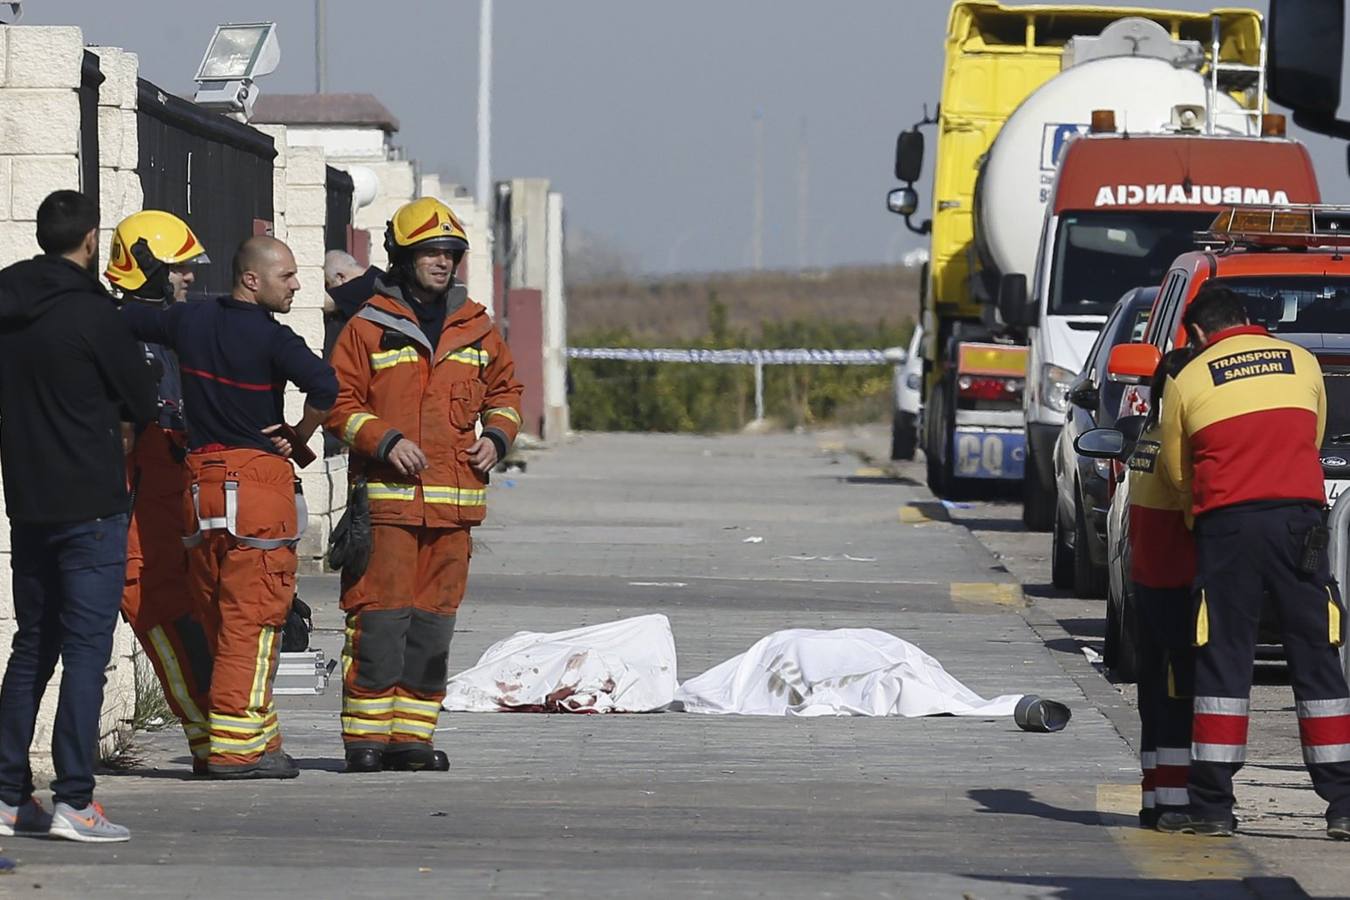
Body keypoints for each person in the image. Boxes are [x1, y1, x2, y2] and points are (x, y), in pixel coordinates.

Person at [121, 235, 338, 780]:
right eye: (286, 275)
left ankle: (261, 742)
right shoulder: (273, 338)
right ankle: (237, 751)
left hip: (198, 488)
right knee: (255, 621)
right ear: (252, 279)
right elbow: (326, 385)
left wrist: (143, 287)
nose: (296, 284)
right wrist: (300, 432)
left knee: (218, 616)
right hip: (257, 484)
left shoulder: (190, 323)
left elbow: (133, 320)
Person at [327, 197, 523, 773]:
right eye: (430, 253)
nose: (442, 263)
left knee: (433, 626)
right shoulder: (367, 327)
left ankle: (412, 737)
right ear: (402, 257)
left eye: (450, 254)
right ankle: (365, 738)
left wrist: (498, 439)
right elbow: (337, 402)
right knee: (379, 619)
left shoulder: (478, 328)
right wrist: (384, 441)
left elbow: (507, 394)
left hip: (454, 509)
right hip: (386, 507)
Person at [1156, 284, 1350, 840]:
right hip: (1299, 525)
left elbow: (1176, 471)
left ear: (1195, 334)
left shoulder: (1188, 378)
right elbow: (1309, 439)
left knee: (1224, 663)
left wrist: (1204, 518)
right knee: (1317, 659)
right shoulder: (1303, 362)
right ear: (1247, 319)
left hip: (1229, 528)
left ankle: (1213, 807)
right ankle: (1343, 803)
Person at [0, 190, 158, 842]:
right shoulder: (95, 316)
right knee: (88, 649)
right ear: (91, 241)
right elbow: (143, 398)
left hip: (28, 501)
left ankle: (8, 795)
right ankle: (74, 799)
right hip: (91, 505)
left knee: (33, 644)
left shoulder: (7, 304)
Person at [106, 210, 215, 774]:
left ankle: (214, 733)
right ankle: (207, 736)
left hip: (174, 504)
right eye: (179, 267)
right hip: (135, 511)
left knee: (189, 615)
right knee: (161, 614)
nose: (190, 277)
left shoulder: (171, 329)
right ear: (145, 267)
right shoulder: (118, 330)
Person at [1127, 347, 1197, 828]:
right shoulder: (1175, 443)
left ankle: (1155, 797)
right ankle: (1175, 803)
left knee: (1153, 695)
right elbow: (1195, 507)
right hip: (1176, 585)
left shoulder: (1147, 435)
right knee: (1178, 696)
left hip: (1146, 585)